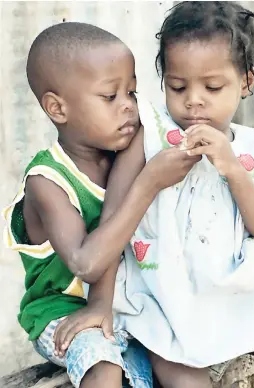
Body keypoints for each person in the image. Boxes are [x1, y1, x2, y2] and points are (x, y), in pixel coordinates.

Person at [54, 3, 254, 388]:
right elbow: (115, 221)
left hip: (236, 287)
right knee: (185, 382)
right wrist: (100, 303)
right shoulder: (147, 136)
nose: (194, 100)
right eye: (178, 86)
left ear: (246, 82)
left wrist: (233, 169)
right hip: (163, 297)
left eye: (212, 87)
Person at [2, 21, 199, 388]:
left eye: (132, 92)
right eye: (110, 97)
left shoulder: (125, 151)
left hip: (130, 302)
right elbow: (86, 263)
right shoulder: (48, 181)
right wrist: (149, 182)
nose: (128, 106)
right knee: (103, 365)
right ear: (57, 108)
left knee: (184, 363)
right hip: (64, 314)